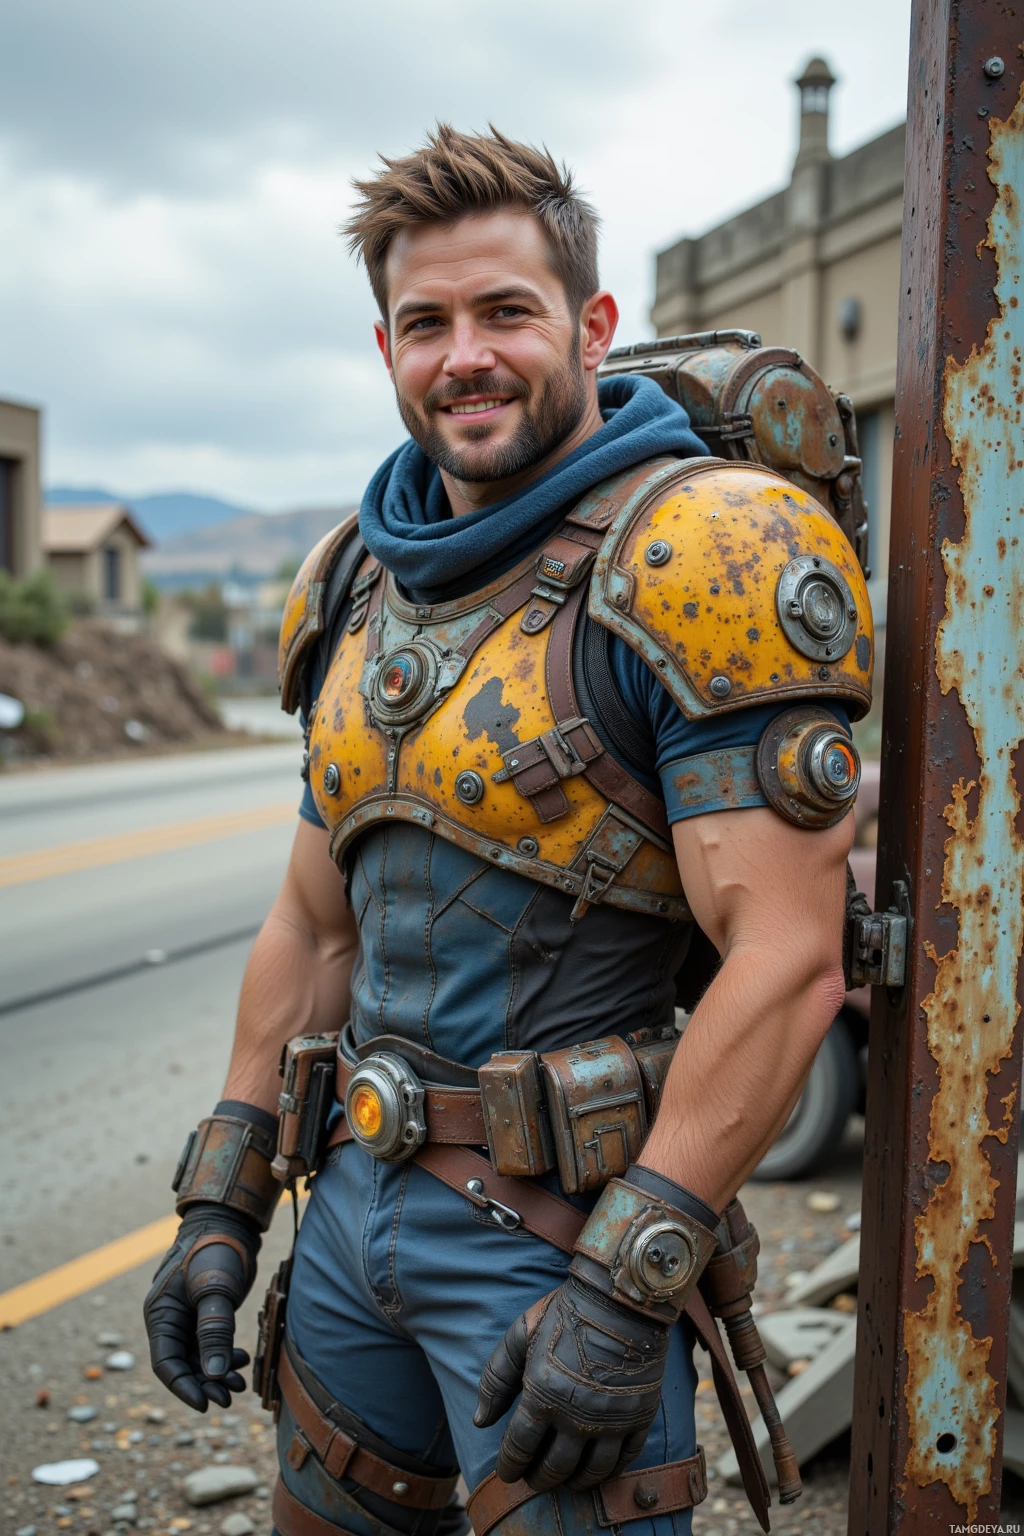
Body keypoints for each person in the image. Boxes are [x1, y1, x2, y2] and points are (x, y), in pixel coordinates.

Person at [143, 126, 872, 1536]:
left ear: (590, 325)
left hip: (559, 1249)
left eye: (505, 313)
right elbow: (313, 922)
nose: (463, 355)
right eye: (427, 323)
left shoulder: (708, 556)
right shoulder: (354, 578)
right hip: (348, 1220)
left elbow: (786, 960)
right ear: (387, 349)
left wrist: (625, 1285)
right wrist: (224, 1193)